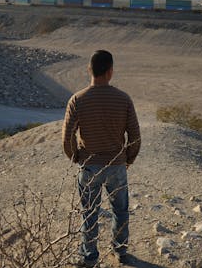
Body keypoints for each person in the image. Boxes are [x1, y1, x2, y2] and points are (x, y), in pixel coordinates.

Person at [62, 50, 141, 267]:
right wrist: (128, 160)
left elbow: (67, 136)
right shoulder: (124, 99)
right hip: (116, 166)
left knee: (89, 212)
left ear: (89, 70)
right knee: (120, 210)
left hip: (89, 166)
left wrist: (77, 157)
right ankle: (121, 251)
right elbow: (134, 136)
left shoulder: (77, 100)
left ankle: (89, 256)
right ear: (110, 72)